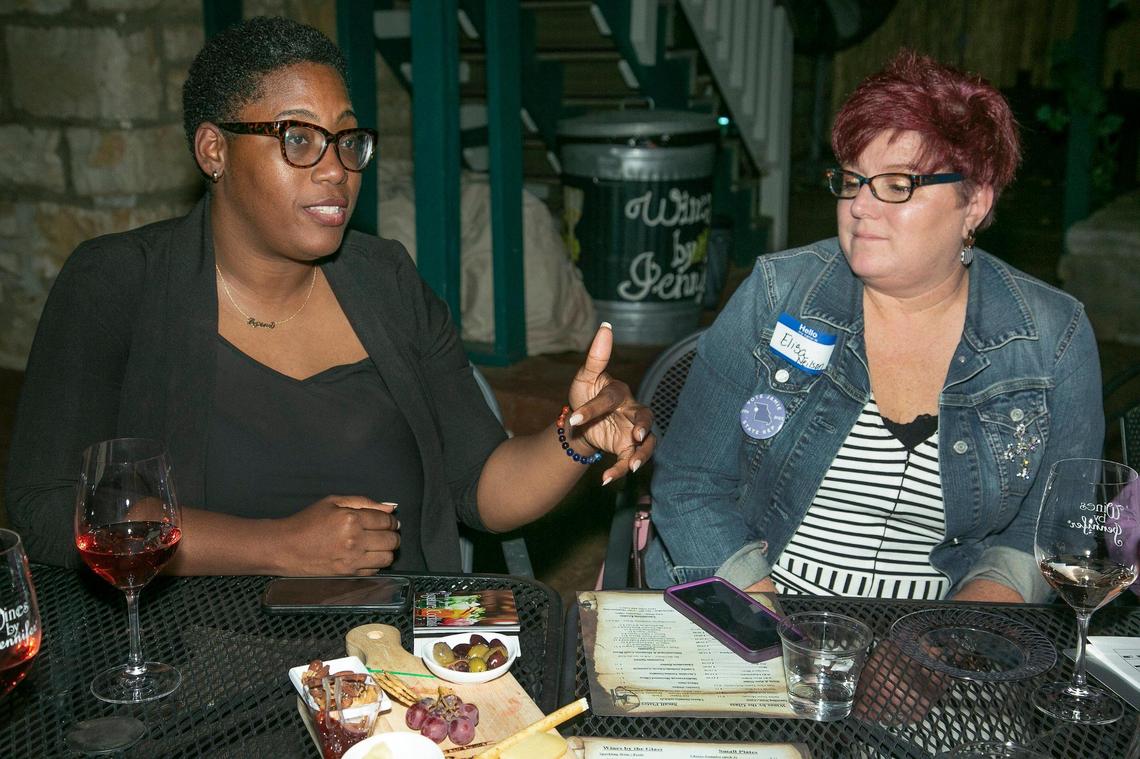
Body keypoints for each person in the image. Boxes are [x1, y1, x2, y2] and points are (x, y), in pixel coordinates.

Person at [6, 16, 654, 575]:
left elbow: (482, 486)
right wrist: (279, 546)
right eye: (298, 138)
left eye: (346, 140)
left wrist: (577, 437)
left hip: (391, 654)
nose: (336, 168)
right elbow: (46, 508)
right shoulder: (119, 283)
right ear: (214, 150)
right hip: (203, 656)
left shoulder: (385, 280)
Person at [645, 50, 1103, 604]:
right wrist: (767, 628)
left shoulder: (1051, 338)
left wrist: (951, 638)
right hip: (759, 601)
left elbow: (1052, 529)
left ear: (975, 204)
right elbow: (690, 483)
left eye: (897, 184)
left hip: (941, 627)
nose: (860, 205)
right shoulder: (778, 296)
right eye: (853, 180)